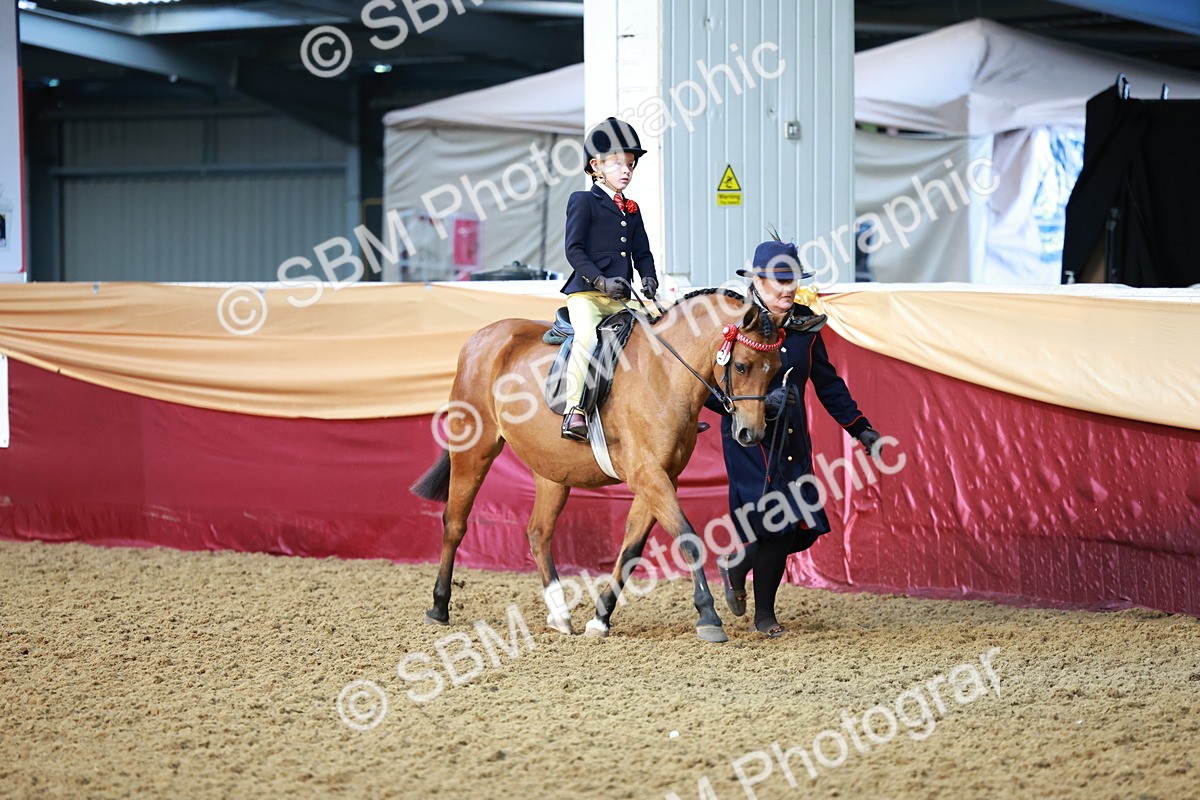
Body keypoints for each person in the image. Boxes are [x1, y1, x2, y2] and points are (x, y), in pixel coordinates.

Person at [708, 239, 885, 638]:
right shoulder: (733, 324)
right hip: (750, 439)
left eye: (793, 281)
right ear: (757, 279)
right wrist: (758, 404)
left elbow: (827, 384)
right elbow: (706, 387)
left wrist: (861, 428)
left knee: (787, 527)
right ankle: (740, 573)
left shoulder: (805, 326)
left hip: (792, 441)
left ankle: (761, 608)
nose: (788, 289)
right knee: (775, 520)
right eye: (779, 281)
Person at [559, 118, 659, 441]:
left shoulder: (632, 209)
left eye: (630, 164)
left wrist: (649, 278)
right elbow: (573, 250)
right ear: (596, 165)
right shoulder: (583, 201)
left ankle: (664, 408)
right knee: (586, 339)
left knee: (660, 332)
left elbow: (642, 252)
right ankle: (574, 409)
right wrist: (600, 281)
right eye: (617, 163)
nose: (626, 170)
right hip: (587, 296)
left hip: (622, 297)